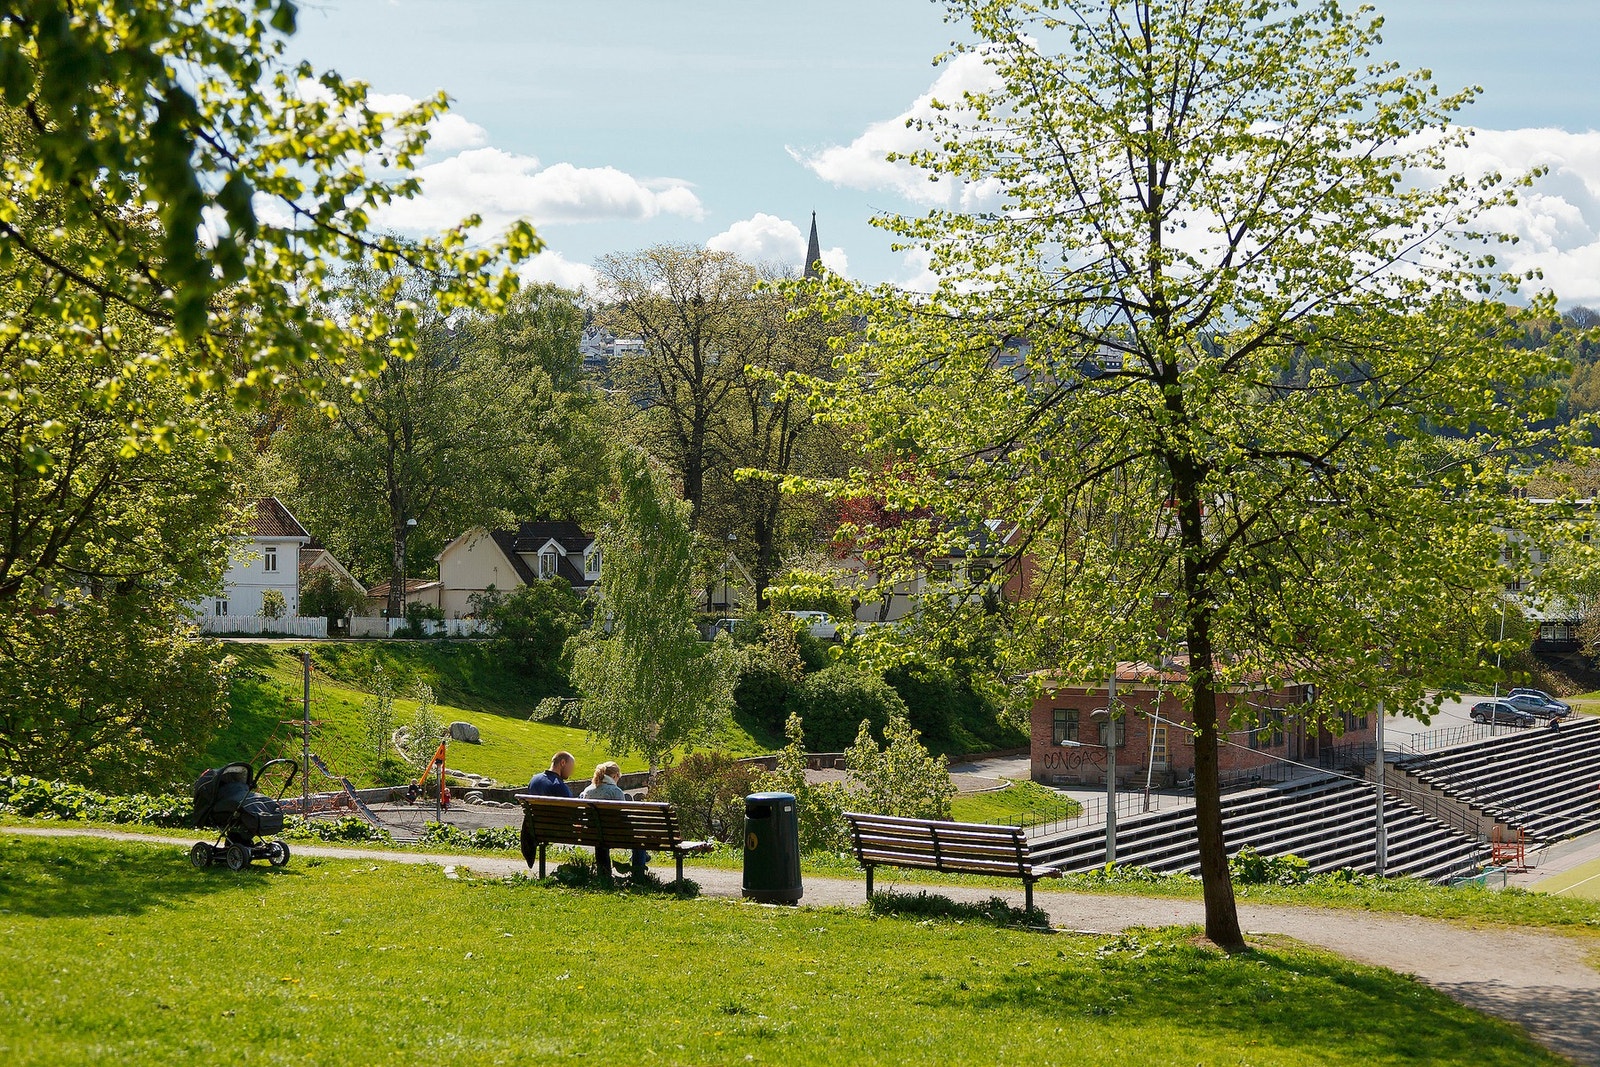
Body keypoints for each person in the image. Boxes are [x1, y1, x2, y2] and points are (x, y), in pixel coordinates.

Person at [580, 760, 649, 876]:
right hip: (615, 834)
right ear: (615, 776)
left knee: (601, 838)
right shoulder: (615, 792)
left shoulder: (587, 791)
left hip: (593, 833)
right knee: (639, 840)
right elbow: (623, 817)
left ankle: (603, 874)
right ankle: (638, 875)